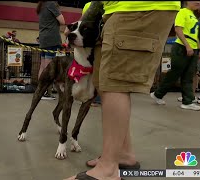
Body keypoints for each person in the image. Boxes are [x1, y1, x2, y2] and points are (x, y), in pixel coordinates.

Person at [65, 1, 180, 180]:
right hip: (115, 11)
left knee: (114, 84)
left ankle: (108, 170)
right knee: (104, 83)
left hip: (135, 8)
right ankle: (123, 154)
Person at [151, 2, 200, 111]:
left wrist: (199, 48)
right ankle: (158, 93)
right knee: (174, 73)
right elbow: (178, 29)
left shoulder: (193, 15)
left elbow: (195, 34)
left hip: (194, 48)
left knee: (189, 75)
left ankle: (187, 102)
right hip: (181, 47)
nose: (198, 2)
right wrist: (187, 46)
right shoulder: (182, 12)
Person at [37, 1, 65, 100]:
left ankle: (40, 90)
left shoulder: (41, 6)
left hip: (43, 39)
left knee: (43, 65)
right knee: (49, 67)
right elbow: (62, 21)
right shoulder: (51, 4)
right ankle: (45, 93)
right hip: (51, 39)